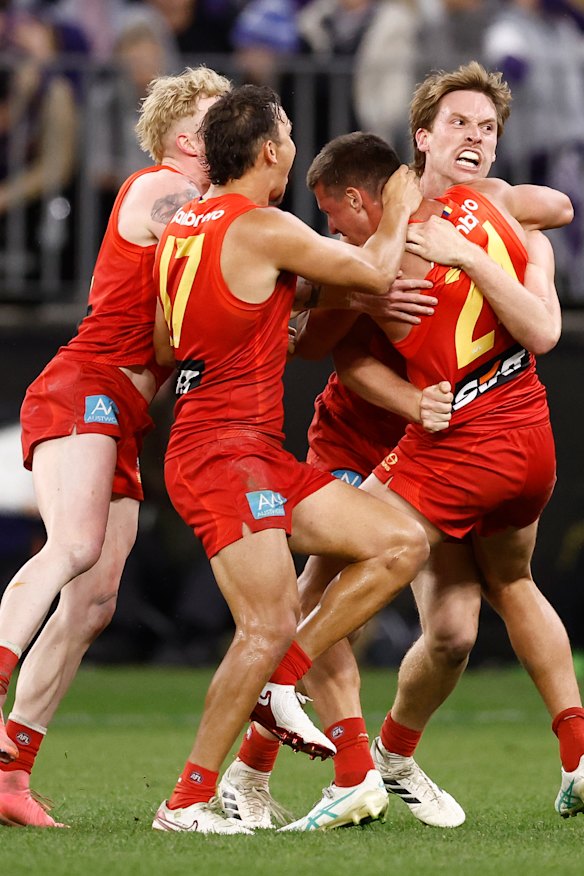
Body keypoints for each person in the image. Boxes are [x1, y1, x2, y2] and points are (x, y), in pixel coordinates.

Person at [219, 62, 574, 831]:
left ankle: (391, 757)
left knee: (450, 636)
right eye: (460, 127)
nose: (475, 140)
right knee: (317, 592)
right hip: (367, 434)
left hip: (449, 441)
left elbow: (559, 205)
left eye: (487, 130)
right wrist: (356, 288)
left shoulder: (477, 208)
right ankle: (262, 771)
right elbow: (323, 347)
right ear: (424, 139)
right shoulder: (378, 239)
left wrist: (507, 216)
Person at [150, 83, 434, 835]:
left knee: (398, 541)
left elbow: (172, 334)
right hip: (224, 453)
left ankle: (286, 685)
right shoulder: (260, 222)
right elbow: (373, 270)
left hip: (246, 450)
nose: (293, 144)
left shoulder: (189, 224)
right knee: (264, 624)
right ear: (271, 151)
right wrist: (402, 197)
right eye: (287, 133)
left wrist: (311, 302)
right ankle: (184, 803)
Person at [0, 65, 232, 829]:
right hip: (84, 385)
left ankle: (10, 774)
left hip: (123, 415)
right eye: (222, 115)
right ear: (186, 135)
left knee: (95, 600)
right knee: (71, 549)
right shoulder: (159, 187)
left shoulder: (219, 210)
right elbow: (212, 243)